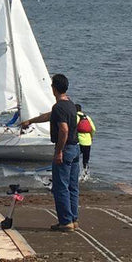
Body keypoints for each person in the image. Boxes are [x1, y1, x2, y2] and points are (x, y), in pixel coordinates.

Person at [19, 73, 80, 231]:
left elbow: (64, 130)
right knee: (72, 186)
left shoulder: (59, 106)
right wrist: (31, 121)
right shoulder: (70, 105)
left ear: (54, 89)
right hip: (75, 148)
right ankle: (73, 219)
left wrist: (58, 151)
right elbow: (50, 116)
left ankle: (65, 222)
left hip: (65, 150)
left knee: (60, 187)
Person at [76, 104, 95, 180]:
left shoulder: (76, 117)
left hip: (79, 141)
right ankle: (86, 175)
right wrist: (91, 137)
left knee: (75, 159)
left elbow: (72, 127)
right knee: (85, 160)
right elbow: (93, 129)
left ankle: (75, 175)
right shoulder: (87, 117)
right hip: (88, 142)